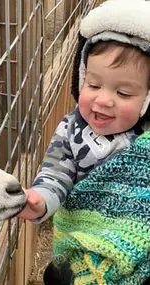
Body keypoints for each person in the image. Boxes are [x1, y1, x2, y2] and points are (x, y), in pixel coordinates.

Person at [18, 0, 150, 283]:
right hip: (83, 239)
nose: (103, 100)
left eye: (124, 93)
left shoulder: (145, 141)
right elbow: (55, 173)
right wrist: (40, 200)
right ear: (80, 80)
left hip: (136, 243)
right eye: (93, 84)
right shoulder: (71, 130)